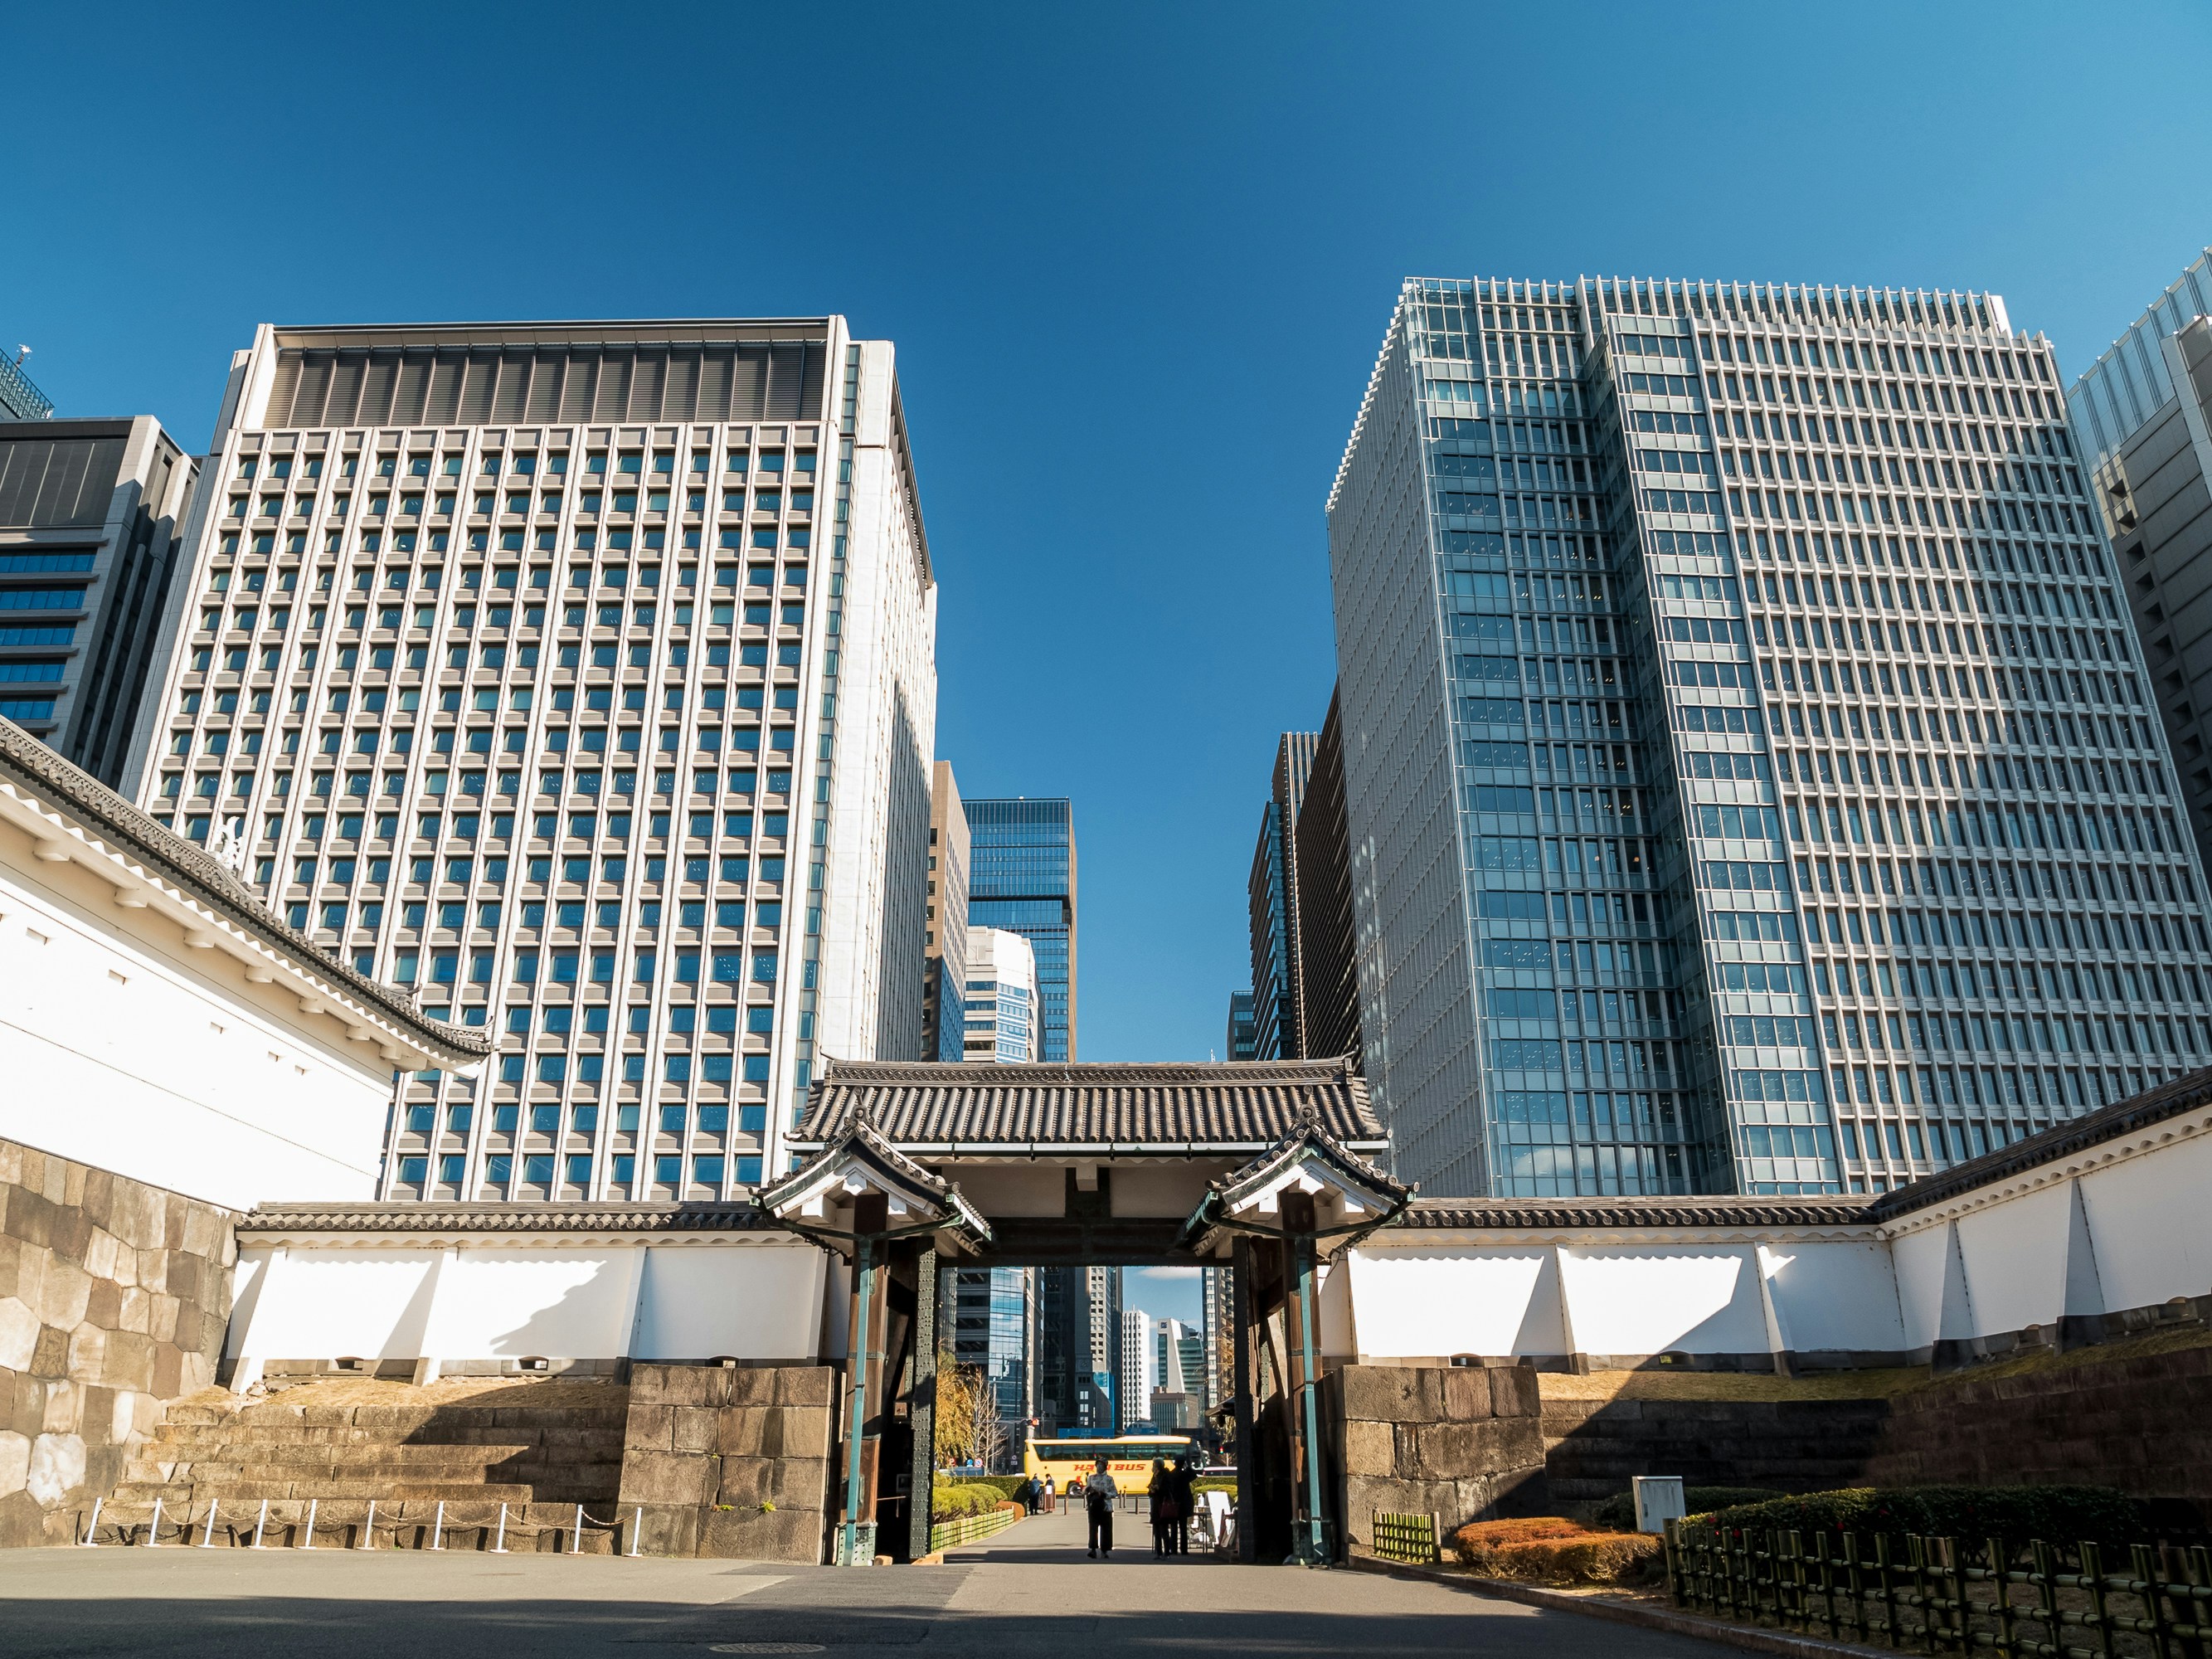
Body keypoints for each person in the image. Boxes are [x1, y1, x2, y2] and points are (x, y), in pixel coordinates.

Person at [1084, 1456, 1118, 1558]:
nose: (1099, 1467)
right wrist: (1088, 1490)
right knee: (1093, 1529)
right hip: (1093, 1507)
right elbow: (1085, 1491)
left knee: (1106, 1529)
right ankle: (1093, 1549)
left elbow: (1115, 1493)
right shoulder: (1091, 1478)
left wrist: (1104, 1494)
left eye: (1101, 1465)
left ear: (1105, 1467)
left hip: (1106, 1507)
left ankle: (1104, 1551)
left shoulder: (1109, 1479)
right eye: (1098, 1465)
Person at [1167, 1455, 1198, 1554]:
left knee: (1174, 1528)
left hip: (1174, 1504)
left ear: (1175, 1463)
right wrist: (1187, 1466)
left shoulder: (1172, 1474)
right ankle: (1184, 1550)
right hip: (1184, 1504)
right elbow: (1194, 1475)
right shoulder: (1185, 1475)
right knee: (1183, 1528)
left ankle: (1173, 1549)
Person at [1148, 1458, 1174, 1556]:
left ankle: (1167, 1551)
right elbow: (1150, 1490)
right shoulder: (1154, 1476)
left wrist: (1158, 1489)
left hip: (1163, 1506)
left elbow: (1168, 1489)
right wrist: (1151, 1490)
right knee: (1156, 1532)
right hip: (1155, 1506)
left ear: (1158, 1466)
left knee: (1164, 1530)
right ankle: (1158, 1552)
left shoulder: (1165, 1475)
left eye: (1154, 1465)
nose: (1153, 1467)